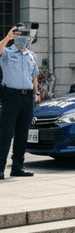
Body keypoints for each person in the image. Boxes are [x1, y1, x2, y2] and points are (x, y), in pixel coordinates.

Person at [0, 24, 40, 179]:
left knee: (23, 134)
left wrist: (36, 93)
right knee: (5, 133)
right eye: (21, 35)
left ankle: (18, 166)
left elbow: (35, 75)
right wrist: (7, 38)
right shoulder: (8, 53)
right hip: (11, 96)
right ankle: (0, 168)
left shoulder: (31, 56)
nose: (24, 38)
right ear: (15, 36)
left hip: (27, 97)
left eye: (26, 35)